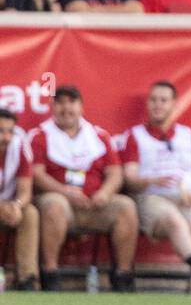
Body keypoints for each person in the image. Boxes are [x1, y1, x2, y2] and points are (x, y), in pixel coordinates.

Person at [31, 86, 138, 293]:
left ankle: (123, 275)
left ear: (81, 107)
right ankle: (50, 274)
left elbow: (115, 173)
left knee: (126, 206)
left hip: (95, 204)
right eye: (60, 102)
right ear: (52, 107)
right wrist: (65, 192)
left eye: (71, 102)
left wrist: (105, 193)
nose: (66, 108)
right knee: (53, 204)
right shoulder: (40, 136)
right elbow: (37, 174)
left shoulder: (99, 136)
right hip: (62, 203)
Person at [120, 81, 191, 293]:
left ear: (174, 104)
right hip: (152, 198)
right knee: (174, 221)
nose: (158, 105)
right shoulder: (135, 136)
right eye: (153, 100)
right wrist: (151, 181)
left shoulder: (189, 136)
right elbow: (129, 177)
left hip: (188, 199)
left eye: (163, 100)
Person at [0, 107, 37, 292]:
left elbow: (25, 190)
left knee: (29, 213)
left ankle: (27, 278)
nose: (6, 137)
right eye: (0, 131)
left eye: (10, 131)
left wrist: (17, 205)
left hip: (9, 204)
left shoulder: (20, 146)